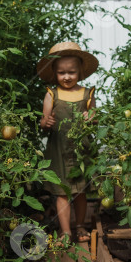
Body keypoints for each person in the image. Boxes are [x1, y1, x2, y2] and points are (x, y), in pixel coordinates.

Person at [37, 42, 98, 244]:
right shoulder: (51, 94)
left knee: (80, 192)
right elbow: (43, 123)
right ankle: (66, 232)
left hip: (80, 150)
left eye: (71, 72)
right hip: (58, 149)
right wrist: (47, 122)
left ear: (80, 71)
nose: (66, 77)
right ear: (54, 72)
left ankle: (79, 225)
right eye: (61, 72)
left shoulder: (87, 94)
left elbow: (95, 117)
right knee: (62, 192)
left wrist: (92, 117)